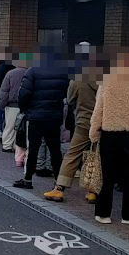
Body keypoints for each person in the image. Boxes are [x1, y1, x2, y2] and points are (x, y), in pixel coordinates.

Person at [88, 52, 129, 224]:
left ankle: (103, 213)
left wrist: (94, 131)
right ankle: (127, 215)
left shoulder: (107, 82)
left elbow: (99, 108)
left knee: (106, 175)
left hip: (110, 132)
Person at [45, 51, 99, 203]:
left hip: (83, 122)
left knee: (72, 154)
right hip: (100, 123)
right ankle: (92, 191)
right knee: (95, 157)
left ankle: (59, 188)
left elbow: (70, 99)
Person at [13, 55, 68, 190]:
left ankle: (28, 179)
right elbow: (66, 93)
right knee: (55, 150)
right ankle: (58, 182)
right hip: (54, 117)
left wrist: (25, 108)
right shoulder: (62, 73)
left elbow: (24, 94)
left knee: (33, 149)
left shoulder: (32, 71)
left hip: (36, 117)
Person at [0, 56, 29, 153]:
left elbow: (4, 90)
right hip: (25, 105)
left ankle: (7, 145)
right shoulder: (29, 73)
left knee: (10, 126)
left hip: (12, 104)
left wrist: (1, 103)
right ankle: (17, 145)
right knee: (21, 127)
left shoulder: (10, 73)